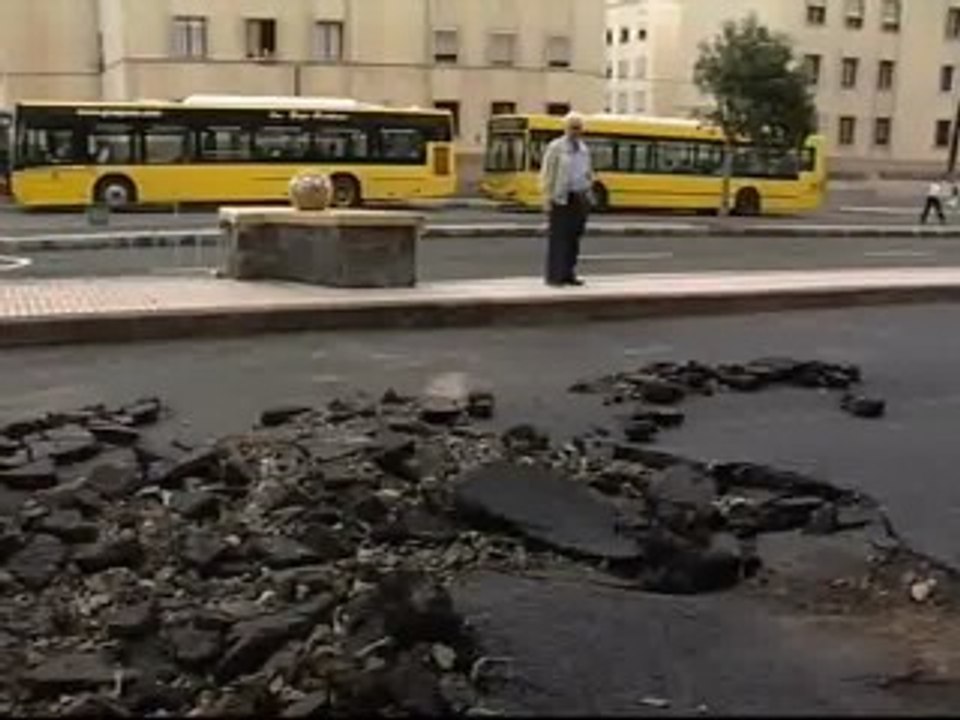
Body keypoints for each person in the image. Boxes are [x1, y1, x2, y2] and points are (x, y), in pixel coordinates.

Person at [540, 112, 593, 287]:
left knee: (574, 238)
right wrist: (546, 198)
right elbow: (547, 174)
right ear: (566, 128)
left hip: (580, 196)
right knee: (558, 238)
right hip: (561, 197)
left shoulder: (584, 149)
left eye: (579, 128)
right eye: (573, 127)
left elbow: (587, 171)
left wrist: (588, 188)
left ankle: (568, 273)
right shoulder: (556, 147)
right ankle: (554, 276)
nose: (576, 131)